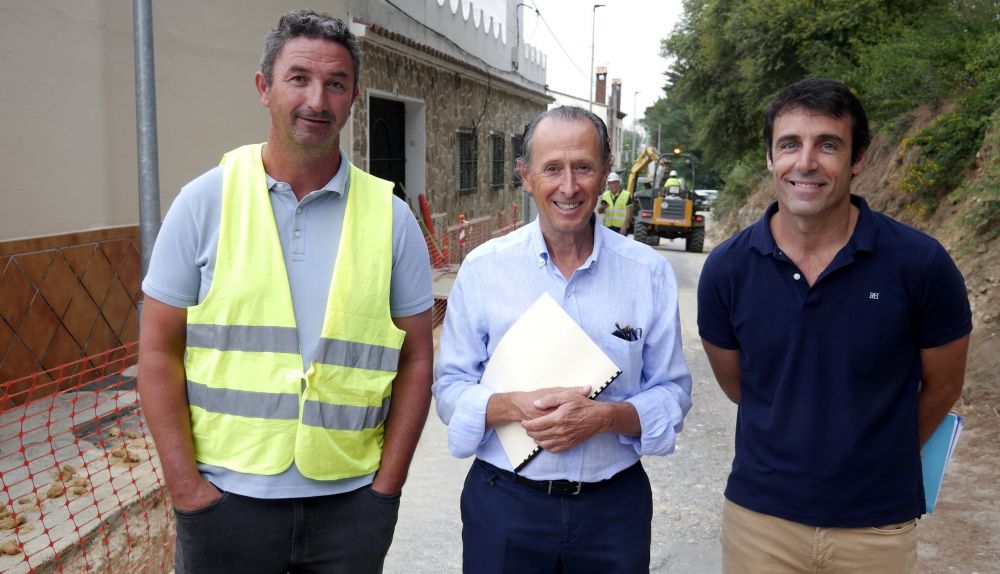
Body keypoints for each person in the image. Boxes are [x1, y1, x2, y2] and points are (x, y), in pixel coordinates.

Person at [136, 10, 434, 573]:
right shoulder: (204, 203)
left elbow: (418, 358)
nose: (317, 100)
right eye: (298, 78)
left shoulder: (391, 219)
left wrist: (385, 490)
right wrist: (186, 491)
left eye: (336, 83)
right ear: (263, 87)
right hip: (226, 506)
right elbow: (156, 351)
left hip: (350, 508)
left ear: (352, 97)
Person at [697, 78, 972, 573]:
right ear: (769, 157)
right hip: (761, 524)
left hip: (877, 530)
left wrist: (882, 453)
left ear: (858, 158)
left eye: (828, 144)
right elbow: (741, 386)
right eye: (789, 144)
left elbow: (945, 383)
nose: (806, 162)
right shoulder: (727, 269)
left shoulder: (920, 264)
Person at [433, 105, 693, 573]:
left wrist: (604, 418)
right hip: (505, 506)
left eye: (583, 168)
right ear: (525, 176)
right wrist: (516, 407)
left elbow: (674, 392)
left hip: (613, 509)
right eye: (552, 168)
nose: (568, 187)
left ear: (606, 172)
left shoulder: (647, 273)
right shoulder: (483, 269)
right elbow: (450, 390)